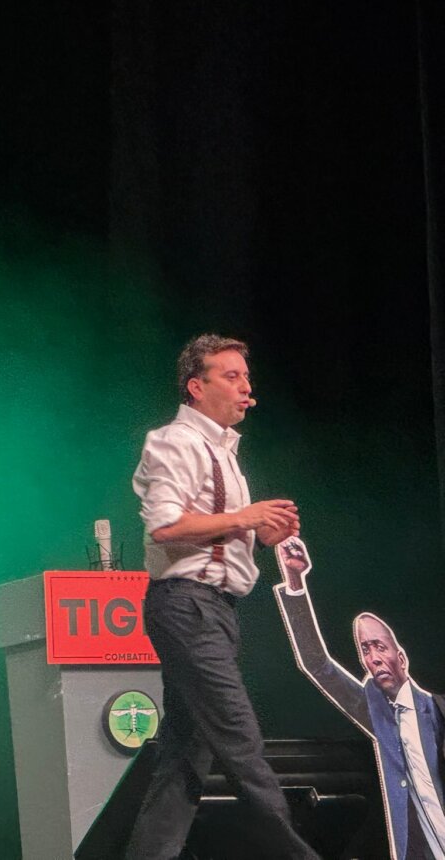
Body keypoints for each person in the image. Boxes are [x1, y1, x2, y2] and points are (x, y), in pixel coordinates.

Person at [125, 333, 317, 859]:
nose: (246, 388)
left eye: (246, 377)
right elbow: (166, 527)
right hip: (186, 605)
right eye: (231, 377)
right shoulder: (173, 441)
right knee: (239, 739)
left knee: (186, 752)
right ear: (196, 386)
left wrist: (261, 533)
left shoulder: (225, 454)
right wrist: (244, 517)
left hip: (215, 610)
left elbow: (217, 529)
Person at [275, 536, 445, 860]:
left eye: (380, 647)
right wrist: (295, 581)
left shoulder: (435, 710)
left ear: (401, 657)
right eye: (365, 650)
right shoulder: (375, 710)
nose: (374, 658)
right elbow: (317, 663)